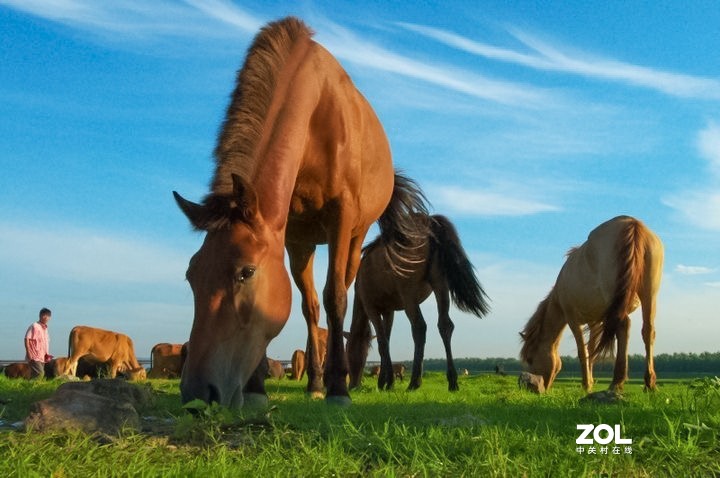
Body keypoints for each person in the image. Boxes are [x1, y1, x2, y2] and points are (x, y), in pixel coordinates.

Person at [24, 307, 52, 379]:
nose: (46, 317)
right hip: (34, 355)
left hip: (42, 356)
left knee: (35, 374)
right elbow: (26, 339)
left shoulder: (45, 329)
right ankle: (33, 387)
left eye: (48, 316)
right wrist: (29, 353)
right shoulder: (34, 326)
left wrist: (47, 354)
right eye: (44, 315)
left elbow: (45, 343)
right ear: (40, 316)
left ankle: (31, 388)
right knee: (40, 373)